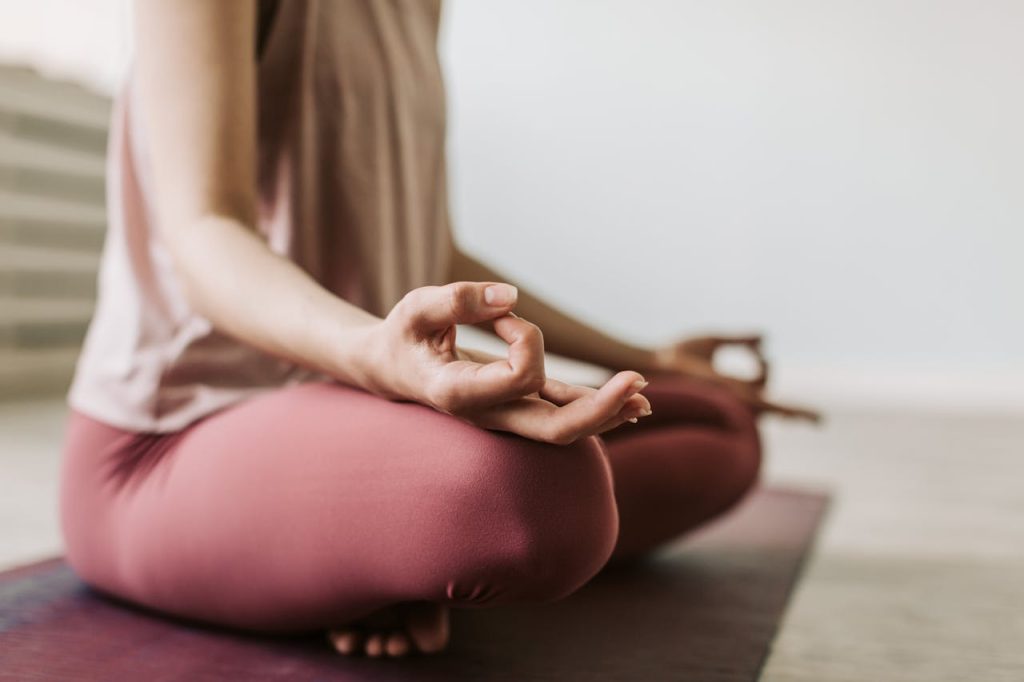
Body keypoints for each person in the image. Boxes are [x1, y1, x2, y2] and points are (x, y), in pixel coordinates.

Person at [59, 0, 818, 659]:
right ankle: (401, 533)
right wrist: (378, 358)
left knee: (719, 426)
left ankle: (389, 537)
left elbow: (432, 247)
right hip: (171, 442)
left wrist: (648, 359)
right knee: (547, 497)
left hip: (351, 407)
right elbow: (203, 231)